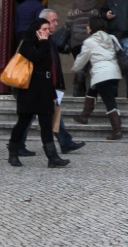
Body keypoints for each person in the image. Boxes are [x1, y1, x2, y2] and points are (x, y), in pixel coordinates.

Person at [7, 17, 69, 168]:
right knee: (23, 122)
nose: (48, 32)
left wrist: (53, 94)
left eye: (48, 29)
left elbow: (48, 68)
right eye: (44, 29)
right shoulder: (27, 43)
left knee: (47, 124)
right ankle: (13, 153)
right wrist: (43, 43)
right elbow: (35, 58)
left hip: (45, 89)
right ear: (36, 31)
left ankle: (53, 158)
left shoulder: (47, 43)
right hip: (28, 90)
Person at [72, 15, 125, 140]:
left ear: (92, 28)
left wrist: (75, 68)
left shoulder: (89, 42)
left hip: (101, 74)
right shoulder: (112, 38)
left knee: (109, 101)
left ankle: (117, 131)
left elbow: (82, 59)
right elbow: (120, 51)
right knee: (92, 89)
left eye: (88, 25)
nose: (87, 28)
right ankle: (84, 116)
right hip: (113, 72)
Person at [40, 8, 84, 154]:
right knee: (27, 119)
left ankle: (65, 142)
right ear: (44, 22)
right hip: (41, 86)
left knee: (55, 113)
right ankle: (17, 144)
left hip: (49, 86)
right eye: (54, 21)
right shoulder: (39, 40)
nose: (56, 24)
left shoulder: (50, 39)